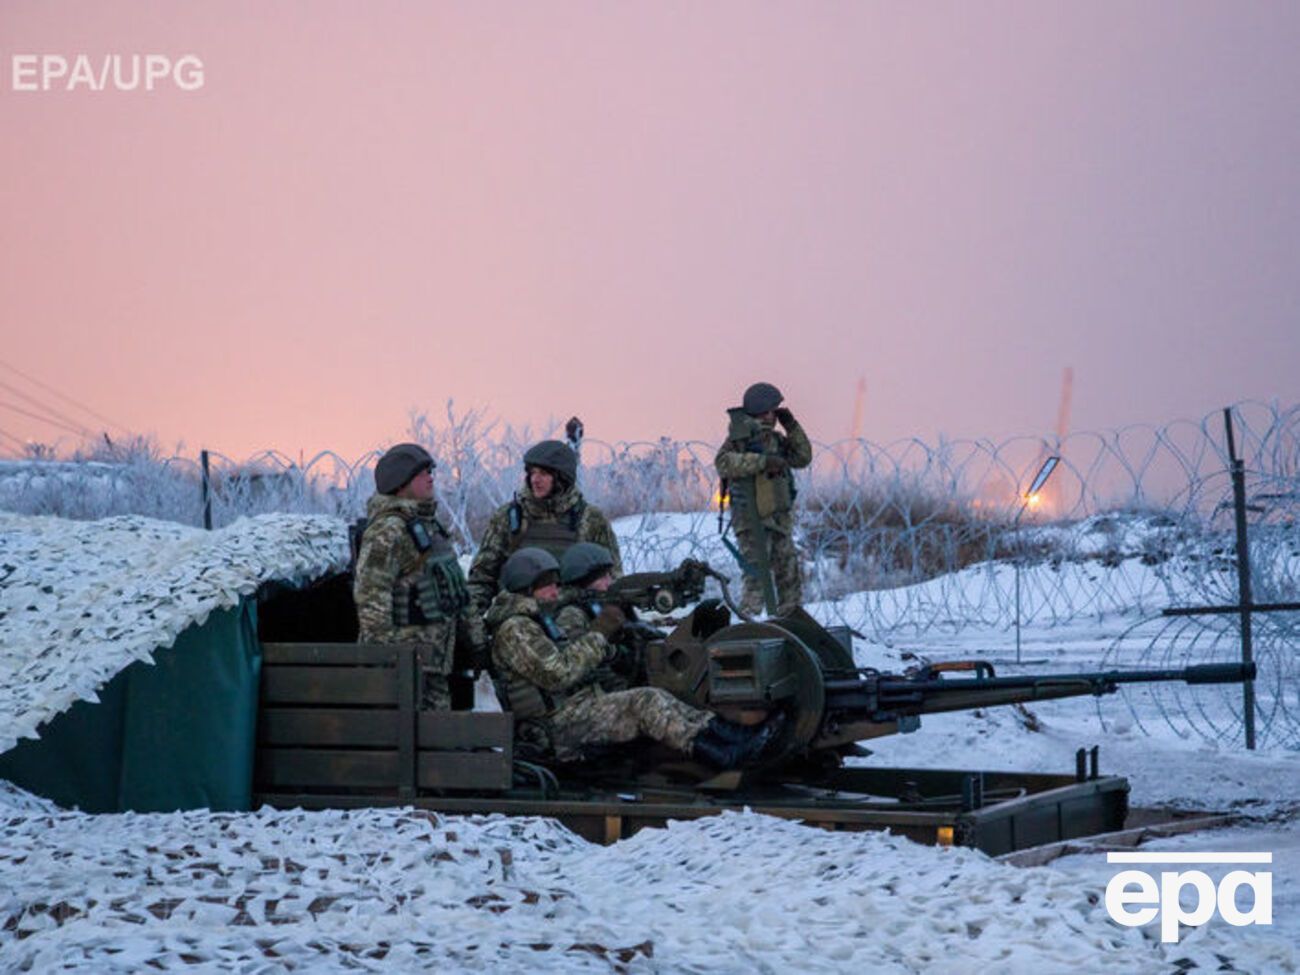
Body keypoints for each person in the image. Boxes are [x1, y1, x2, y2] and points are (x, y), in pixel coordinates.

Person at [486, 547, 783, 769]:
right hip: (555, 727)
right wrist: (600, 634)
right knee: (645, 702)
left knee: (655, 696)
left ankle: (733, 738)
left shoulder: (535, 620)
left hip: (572, 710)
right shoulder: (516, 629)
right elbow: (559, 673)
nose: (555, 590)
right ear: (526, 587)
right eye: (547, 583)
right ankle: (724, 754)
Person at [353, 443, 474, 710]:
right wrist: (393, 658)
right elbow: (371, 601)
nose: (431, 477)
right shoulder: (388, 531)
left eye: (430, 470)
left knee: (436, 741)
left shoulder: (429, 528)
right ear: (400, 483)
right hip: (405, 669)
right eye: (422, 473)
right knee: (413, 743)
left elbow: (454, 591)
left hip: (434, 664)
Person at [467, 439, 621, 615]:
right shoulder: (509, 518)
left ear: (562, 478)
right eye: (532, 473)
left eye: (544, 474)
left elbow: (611, 579)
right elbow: (482, 578)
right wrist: (472, 623)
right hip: (520, 622)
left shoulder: (590, 519)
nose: (535, 480)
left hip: (575, 620)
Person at [714, 382, 813, 616]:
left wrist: (792, 425)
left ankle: (791, 621)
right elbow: (723, 463)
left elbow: (803, 456)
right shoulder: (741, 439)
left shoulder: (776, 440)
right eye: (771, 411)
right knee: (757, 578)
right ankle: (747, 624)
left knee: (789, 576)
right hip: (751, 521)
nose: (773, 416)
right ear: (761, 411)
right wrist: (762, 462)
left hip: (778, 519)